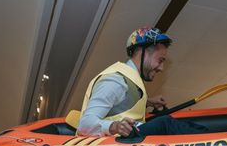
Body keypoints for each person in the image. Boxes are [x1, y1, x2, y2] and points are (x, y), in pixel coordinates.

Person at [77, 26, 208, 138]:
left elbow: (119, 106)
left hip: (128, 141)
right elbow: (84, 124)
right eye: (160, 60)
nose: (161, 68)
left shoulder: (128, 80)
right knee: (165, 123)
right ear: (143, 53)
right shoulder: (115, 80)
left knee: (186, 123)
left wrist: (148, 101)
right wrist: (115, 126)